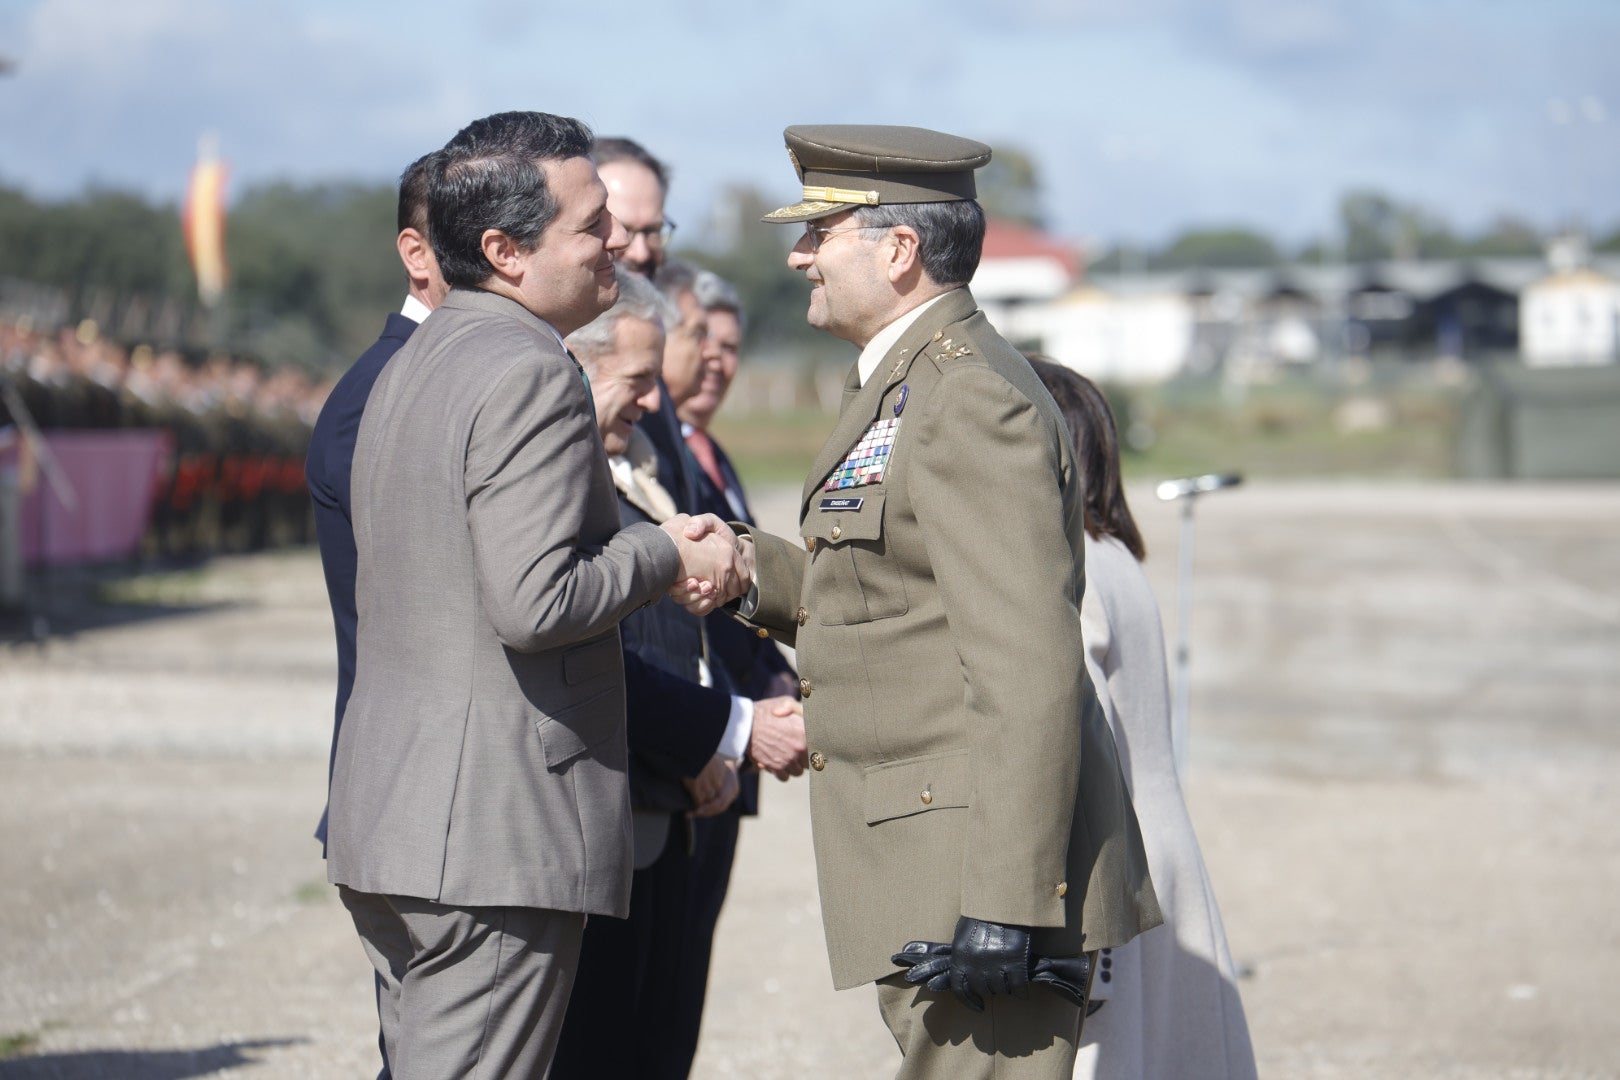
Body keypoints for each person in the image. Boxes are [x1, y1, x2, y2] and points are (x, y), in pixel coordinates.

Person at [324, 110, 752, 1080]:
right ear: (503, 252)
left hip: (402, 818)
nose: (619, 244)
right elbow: (536, 600)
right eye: (591, 225)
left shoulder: (413, 361)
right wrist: (663, 554)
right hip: (488, 834)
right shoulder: (530, 372)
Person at [730, 124, 1161, 1080]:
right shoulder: (903, 383)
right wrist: (745, 570)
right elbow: (894, 599)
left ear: (898, 250)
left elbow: (1029, 661)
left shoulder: (965, 398)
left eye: (820, 232)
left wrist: (1007, 902)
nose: (799, 255)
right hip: (937, 843)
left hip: (976, 860)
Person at [551, 267, 806, 1080]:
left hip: (674, 792)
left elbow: (698, 617)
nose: (654, 400)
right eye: (639, 380)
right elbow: (589, 648)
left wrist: (760, 693)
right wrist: (721, 733)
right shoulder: (559, 479)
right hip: (618, 798)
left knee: (654, 1043)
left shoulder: (653, 459)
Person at [1027, 359, 1258, 1080]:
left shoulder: (1071, 566)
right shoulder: (1114, 552)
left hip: (1111, 856)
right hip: (1158, 842)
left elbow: (1065, 721)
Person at [306, 149, 446, 853]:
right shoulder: (385, 392)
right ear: (417, 255)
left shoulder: (445, 376)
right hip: (414, 795)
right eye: (483, 244)